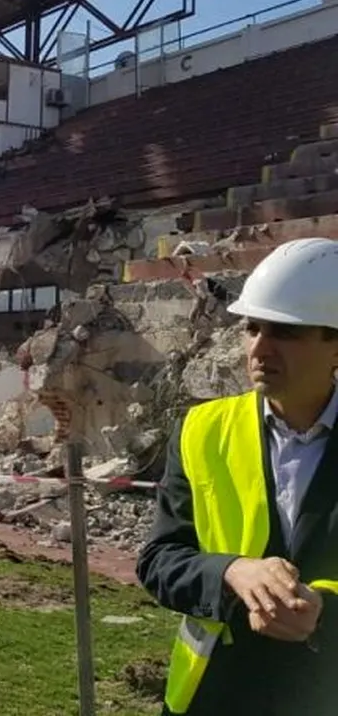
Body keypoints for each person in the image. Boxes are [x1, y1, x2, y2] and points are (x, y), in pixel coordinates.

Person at [136, 237, 338, 715]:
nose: (260, 348)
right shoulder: (202, 431)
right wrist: (232, 571)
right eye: (252, 328)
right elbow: (160, 560)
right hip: (215, 694)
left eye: (285, 332)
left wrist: (323, 610)